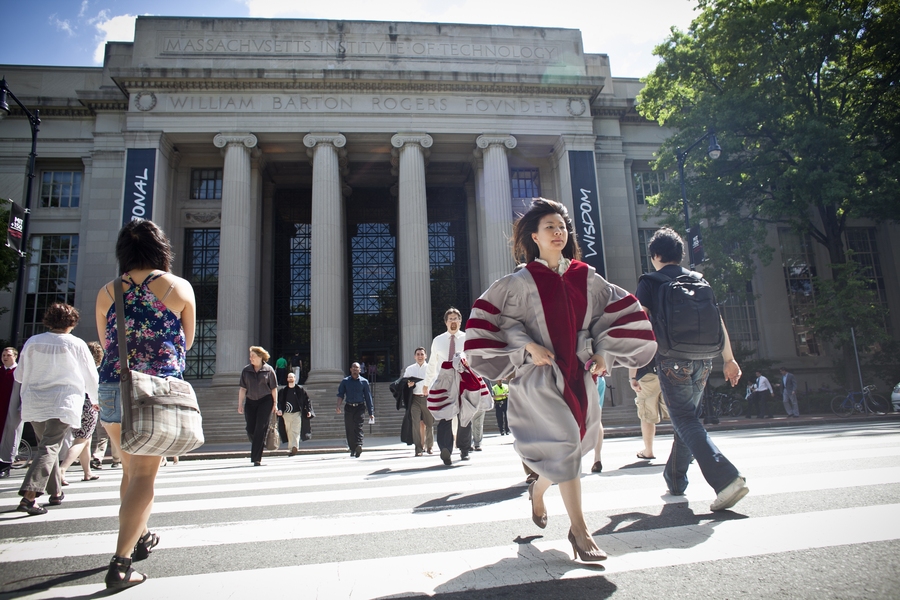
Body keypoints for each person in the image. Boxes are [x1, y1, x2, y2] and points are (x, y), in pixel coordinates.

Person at [465, 198, 657, 562]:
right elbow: (497, 323)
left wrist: (604, 352)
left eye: (562, 227)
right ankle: (580, 532)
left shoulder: (587, 277)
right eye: (549, 227)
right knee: (568, 445)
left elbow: (610, 317)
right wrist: (527, 347)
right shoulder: (517, 283)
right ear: (534, 236)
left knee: (572, 448)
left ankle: (538, 490)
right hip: (539, 378)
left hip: (579, 373)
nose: (558, 232)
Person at [95, 218, 196, 589]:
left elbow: (107, 344)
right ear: (160, 249)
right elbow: (185, 343)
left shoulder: (108, 291)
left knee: (128, 470)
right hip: (153, 389)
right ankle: (120, 564)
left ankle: (139, 536)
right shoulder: (177, 287)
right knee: (144, 475)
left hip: (112, 385)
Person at [636, 227, 748, 512]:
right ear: (681, 254)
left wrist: (636, 367)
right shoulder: (699, 279)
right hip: (705, 359)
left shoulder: (650, 281)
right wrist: (729, 359)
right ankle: (675, 478)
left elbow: (641, 324)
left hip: (673, 359)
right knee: (688, 419)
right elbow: (717, 319)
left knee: (685, 420)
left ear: (655, 255)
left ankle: (727, 479)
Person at [15, 303, 99, 516]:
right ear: (72, 322)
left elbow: (19, 375)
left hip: (35, 400)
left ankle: (56, 492)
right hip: (63, 400)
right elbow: (90, 375)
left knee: (47, 446)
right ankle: (29, 496)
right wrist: (96, 398)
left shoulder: (33, 342)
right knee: (49, 447)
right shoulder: (76, 344)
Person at [424, 308, 471, 465]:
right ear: (446, 322)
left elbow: (475, 359)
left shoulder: (467, 338)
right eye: (450, 318)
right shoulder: (438, 340)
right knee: (445, 415)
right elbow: (432, 363)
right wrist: (426, 383)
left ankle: (464, 449)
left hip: (463, 381)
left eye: (455, 318)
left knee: (464, 415)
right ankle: (445, 449)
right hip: (444, 383)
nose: (453, 321)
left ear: (460, 321)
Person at [59, 341, 104, 484]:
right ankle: (62, 470)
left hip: (75, 404)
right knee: (81, 439)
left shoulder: (76, 369)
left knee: (86, 439)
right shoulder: (96, 370)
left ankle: (87, 472)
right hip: (89, 404)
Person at [238, 346, 278, 466]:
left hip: (265, 401)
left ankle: (256, 458)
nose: (251, 358)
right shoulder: (246, 370)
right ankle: (259, 441)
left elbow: (274, 388)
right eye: (250, 356)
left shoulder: (269, 370)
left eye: (253, 356)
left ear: (260, 357)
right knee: (250, 428)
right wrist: (240, 404)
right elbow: (242, 388)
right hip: (250, 401)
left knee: (260, 427)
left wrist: (275, 404)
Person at [628, 366, 669, 461]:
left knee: (647, 415)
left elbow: (634, 357)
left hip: (646, 373)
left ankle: (648, 451)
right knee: (675, 412)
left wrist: (632, 378)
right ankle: (686, 448)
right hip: (668, 371)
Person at [336, 362, 374, 457]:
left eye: (357, 368)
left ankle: (359, 445)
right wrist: (338, 406)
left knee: (358, 426)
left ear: (360, 370)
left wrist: (371, 412)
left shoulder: (364, 382)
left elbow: (368, 397)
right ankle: (352, 449)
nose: (355, 369)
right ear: (350, 369)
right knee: (349, 428)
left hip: (360, 407)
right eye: (353, 368)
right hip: (349, 407)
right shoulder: (345, 381)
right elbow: (340, 394)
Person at [403, 347, 433, 456]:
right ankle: (418, 449)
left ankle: (429, 446)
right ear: (414, 356)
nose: (420, 356)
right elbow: (404, 382)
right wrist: (408, 384)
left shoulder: (431, 368)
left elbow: (435, 381)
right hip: (415, 398)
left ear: (426, 356)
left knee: (429, 423)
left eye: (422, 354)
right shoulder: (410, 369)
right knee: (415, 424)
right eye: (418, 354)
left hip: (427, 398)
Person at [278, 372, 311, 455]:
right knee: (289, 431)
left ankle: (295, 446)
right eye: (289, 377)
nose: (290, 379)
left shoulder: (300, 389)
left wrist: (309, 410)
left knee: (295, 431)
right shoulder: (283, 391)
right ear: (287, 379)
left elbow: (307, 400)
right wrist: (279, 410)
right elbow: (279, 402)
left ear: (295, 379)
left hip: (297, 413)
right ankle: (291, 448)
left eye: (292, 377)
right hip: (286, 414)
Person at [0, 347, 21, 478]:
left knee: (10, 436)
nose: (5, 357)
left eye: (8, 355)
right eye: (3, 355)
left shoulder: (19, 372)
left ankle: (6, 466)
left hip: (12, 409)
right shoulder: (1, 371)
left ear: (15, 356)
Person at [590, 376, 607, 474]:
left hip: (585, 377)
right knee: (597, 419)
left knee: (577, 418)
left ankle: (576, 460)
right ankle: (597, 458)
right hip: (599, 377)